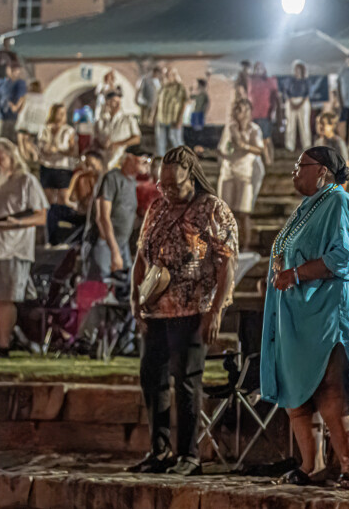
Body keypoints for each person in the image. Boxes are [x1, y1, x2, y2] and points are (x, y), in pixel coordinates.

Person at [260, 146, 349, 488]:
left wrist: (297, 274)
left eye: (302, 166)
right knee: (297, 394)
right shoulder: (307, 208)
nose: (295, 172)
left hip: (329, 313)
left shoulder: (341, 203)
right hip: (299, 316)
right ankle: (311, 465)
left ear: (324, 171)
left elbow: (347, 256)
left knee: (330, 390)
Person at [128, 146, 238, 475]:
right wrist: (136, 297)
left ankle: (189, 455)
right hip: (156, 309)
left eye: (174, 185)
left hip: (193, 307)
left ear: (191, 175)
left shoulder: (212, 209)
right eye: (163, 185)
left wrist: (215, 310)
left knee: (186, 380)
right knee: (152, 377)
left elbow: (226, 263)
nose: (167, 191)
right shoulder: (157, 206)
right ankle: (159, 450)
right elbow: (141, 254)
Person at [0, 139, 49, 357]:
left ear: (11, 158)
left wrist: (16, 223)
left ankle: (3, 345)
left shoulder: (25, 181)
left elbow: (41, 216)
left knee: (5, 299)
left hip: (12, 250)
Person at [83, 148, 149, 287]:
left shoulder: (131, 182)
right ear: (129, 158)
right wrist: (114, 251)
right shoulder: (112, 178)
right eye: (143, 159)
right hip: (103, 242)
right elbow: (102, 217)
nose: (146, 163)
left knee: (128, 285)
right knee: (99, 286)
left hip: (121, 243)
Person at [217, 99, 265, 250]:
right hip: (228, 171)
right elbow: (222, 148)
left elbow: (259, 149)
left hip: (246, 173)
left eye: (244, 110)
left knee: (244, 213)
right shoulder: (230, 128)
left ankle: (245, 246)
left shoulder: (254, 129)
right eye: (238, 110)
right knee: (226, 212)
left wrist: (244, 145)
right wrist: (228, 149)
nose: (241, 114)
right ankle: (226, 245)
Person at [47, 150, 105, 245]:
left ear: (99, 164)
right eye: (86, 164)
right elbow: (67, 199)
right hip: (80, 212)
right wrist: (76, 205)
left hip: (95, 215)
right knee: (53, 210)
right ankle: (53, 242)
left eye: (91, 164)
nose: (88, 167)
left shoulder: (104, 179)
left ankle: (77, 241)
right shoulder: (79, 176)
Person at [37, 104, 78, 205]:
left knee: (63, 199)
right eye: (60, 113)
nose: (62, 116)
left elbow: (73, 151)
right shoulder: (44, 129)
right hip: (47, 166)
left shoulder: (69, 131)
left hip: (62, 168)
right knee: (47, 199)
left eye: (64, 113)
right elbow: (41, 147)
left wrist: (59, 150)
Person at [94, 91, 142, 168]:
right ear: (107, 103)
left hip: (122, 159)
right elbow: (96, 140)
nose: (118, 104)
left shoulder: (129, 119)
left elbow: (137, 138)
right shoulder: (101, 122)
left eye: (119, 102)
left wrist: (118, 144)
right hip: (104, 159)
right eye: (114, 102)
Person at [155, 68, 188, 157]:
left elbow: (183, 104)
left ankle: (183, 160)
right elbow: (158, 103)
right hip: (161, 118)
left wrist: (179, 119)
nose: (166, 77)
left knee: (176, 140)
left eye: (168, 75)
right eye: (166, 75)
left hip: (174, 119)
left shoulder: (180, 88)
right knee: (160, 141)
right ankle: (162, 162)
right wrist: (153, 116)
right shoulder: (163, 87)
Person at [15, 80, 49, 163]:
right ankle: (34, 156)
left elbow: (17, 109)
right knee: (28, 142)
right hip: (36, 126)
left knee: (21, 142)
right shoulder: (43, 98)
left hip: (24, 124)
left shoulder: (26, 97)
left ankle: (27, 159)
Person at [283, 61, 312, 152]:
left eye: (299, 69)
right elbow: (286, 92)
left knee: (304, 124)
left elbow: (307, 94)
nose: (297, 71)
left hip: (303, 102)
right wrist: (292, 103)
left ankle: (307, 145)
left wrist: (300, 103)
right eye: (296, 69)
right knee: (290, 124)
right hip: (291, 101)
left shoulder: (306, 81)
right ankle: (289, 145)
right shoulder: (289, 80)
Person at [0, 61, 26, 141]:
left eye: (16, 69)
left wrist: (16, 107)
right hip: (1, 117)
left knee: (11, 140)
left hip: (13, 118)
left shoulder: (20, 83)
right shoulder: (1, 82)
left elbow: (22, 98)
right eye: (11, 69)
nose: (14, 71)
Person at [248, 62, 280, 144]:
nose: (258, 70)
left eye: (260, 68)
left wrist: (273, 111)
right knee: (254, 138)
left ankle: (268, 156)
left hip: (265, 114)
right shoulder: (251, 81)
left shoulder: (269, 81)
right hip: (253, 114)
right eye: (257, 69)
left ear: (264, 69)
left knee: (266, 139)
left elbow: (275, 98)